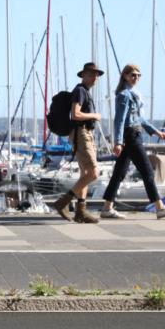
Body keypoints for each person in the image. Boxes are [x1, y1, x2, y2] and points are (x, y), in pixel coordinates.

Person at [100, 65, 165, 220]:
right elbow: (119, 120)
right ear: (125, 76)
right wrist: (117, 142)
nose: (136, 78)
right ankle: (160, 208)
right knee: (147, 172)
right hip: (130, 136)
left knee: (119, 173)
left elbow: (141, 119)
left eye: (138, 75)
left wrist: (156, 131)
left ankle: (106, 208)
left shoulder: (134, 94)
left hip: (134, 134)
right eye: (132, 75)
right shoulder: (124, 95)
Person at [51, 62, 103, 223]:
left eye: (96, 75)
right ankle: (63, 202)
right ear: (84, 75)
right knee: (94, 173)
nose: (95, 77)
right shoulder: (80, 91)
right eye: (91, 74)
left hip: (84, 133)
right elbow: (75, 114)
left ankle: (81, 211)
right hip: (81, 133)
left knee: (84, 174)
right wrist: (94, 115)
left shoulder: (84, 91)